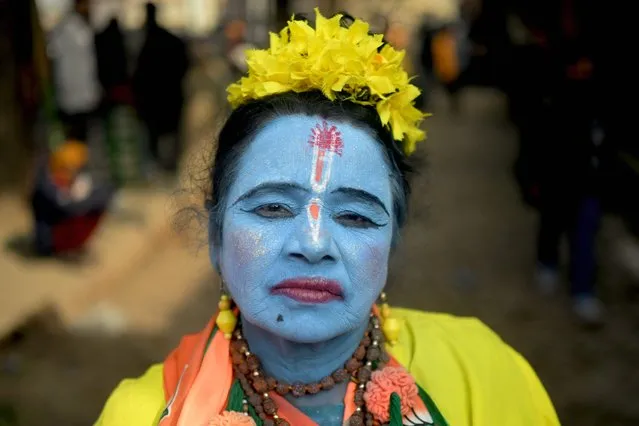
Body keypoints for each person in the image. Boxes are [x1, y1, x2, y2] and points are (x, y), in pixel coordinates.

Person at [95, 10, 560, 426]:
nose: (313, 244)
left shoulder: (483, 374)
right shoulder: (138, 415)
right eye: (273, 208)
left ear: (393, 240)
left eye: (356, 217)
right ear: (215, 235)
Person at [132, 2, 189, 174]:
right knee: (168, 132)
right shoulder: (168, 40)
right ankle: (169, 164)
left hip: (157, 95)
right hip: (167, 94)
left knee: (159, 133)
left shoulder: (147, 41)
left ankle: (162, 164)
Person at [31, 140, 114, 257]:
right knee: (90, 209)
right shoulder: (45, 185)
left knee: (95, 208)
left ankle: (74, 245)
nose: (75, 171)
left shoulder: (65, 182)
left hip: (59, 231)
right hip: (48, 241)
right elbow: (69, 207)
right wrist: (85, 198)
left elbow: (104, 192)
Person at [47, 0, 100, 142]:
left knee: (82, 131)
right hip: (72, 89)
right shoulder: (67, 28)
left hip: (82, 90)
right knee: (74, 133)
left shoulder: (80, 25)